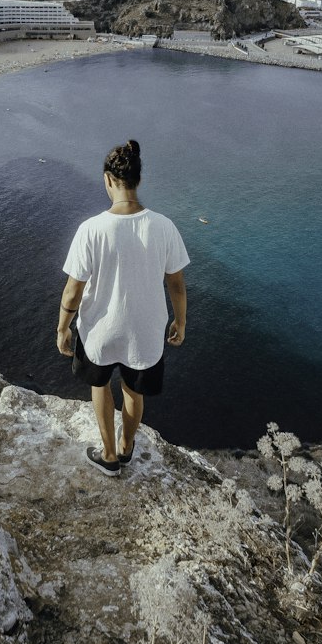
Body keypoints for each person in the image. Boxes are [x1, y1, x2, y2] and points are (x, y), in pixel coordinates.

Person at [57, 139, 189, 476]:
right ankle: (128, 448)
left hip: (99, 330)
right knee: (133, 391)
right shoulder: (163, 226)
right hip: (145, 330)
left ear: (107, 180)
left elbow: (73, 291)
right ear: (138, 180)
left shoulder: (91, 229)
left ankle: (109, 456)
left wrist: (63, 327)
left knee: (99, 387)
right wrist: (181, 321)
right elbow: (176, 283)